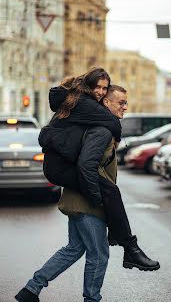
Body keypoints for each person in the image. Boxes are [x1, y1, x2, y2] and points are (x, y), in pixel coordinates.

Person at [15, 70, 159, 302]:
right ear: (104, 103)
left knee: (74, 249)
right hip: (86, 201)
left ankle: (31, 289)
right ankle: (92, 298)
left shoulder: (96, 126)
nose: (125, 107)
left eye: (126, 103)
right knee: (99, 255)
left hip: (77, 196)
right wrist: (97, 199)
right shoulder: (101, 131)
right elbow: (86, 166)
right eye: (121, 103)